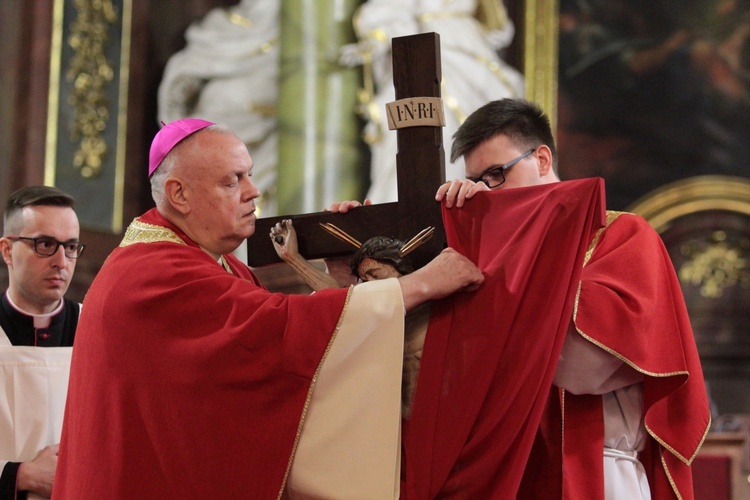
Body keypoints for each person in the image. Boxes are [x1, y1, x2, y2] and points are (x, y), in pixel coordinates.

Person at [54, 118, 483, 499]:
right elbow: (276, 331)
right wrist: (420, 284)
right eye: (232, 180)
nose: (253, 191)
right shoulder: (150, 274)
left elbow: (272, 338)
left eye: (250, 175)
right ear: (178, 193)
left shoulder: (211, 262)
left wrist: (344, 281)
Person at [435, 98, 710, 499]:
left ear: (542, 159)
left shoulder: (620, 236)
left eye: (496, 174)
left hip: (600, 473)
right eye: (476, 182)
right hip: (507, 473)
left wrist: (499, 252)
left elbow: (585, 370)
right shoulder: (484, 253)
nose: (486, 192)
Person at [270, 220, 430, 417]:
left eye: (376, 275)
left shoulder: (430, 309)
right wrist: (292, 257)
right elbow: (339, 298)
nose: (370, 284)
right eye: (365, 279)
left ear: (403, 269)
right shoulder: (374, 312)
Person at [0, 186, 84, 499]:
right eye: (45, 244)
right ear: (7, 250)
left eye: (71, 246)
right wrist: (19, 475)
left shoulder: (96, 331)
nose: (62, 261)